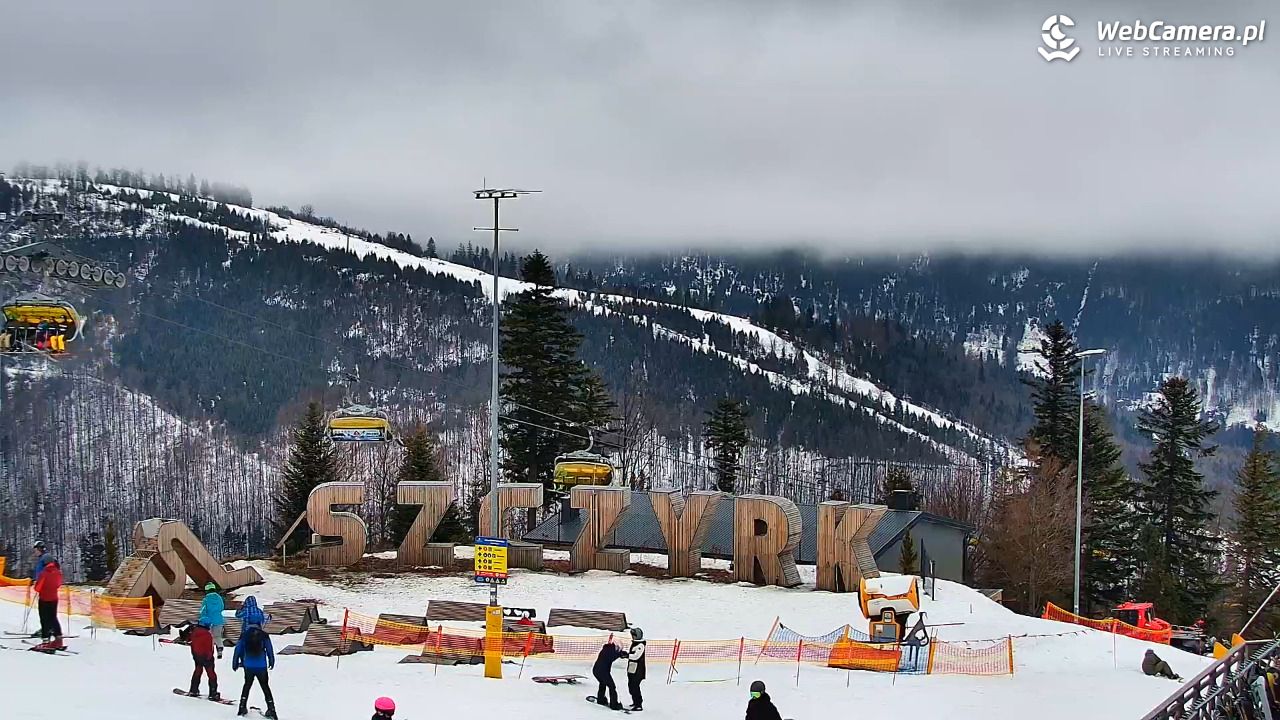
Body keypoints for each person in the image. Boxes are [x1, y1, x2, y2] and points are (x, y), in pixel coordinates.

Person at [232, 621, 276, 718]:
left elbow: (238, 649)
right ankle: (271, 708)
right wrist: (271, 661)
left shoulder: (244, 635)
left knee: (247, 685)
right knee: (265, 686)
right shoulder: (264, 635)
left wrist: (235, 663)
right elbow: (269, 649)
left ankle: (242, 706)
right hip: (261, 666)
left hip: (248, 665)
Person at [181, 623, 220, 700]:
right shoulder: (208, 634)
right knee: (211, 674)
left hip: (197, 656)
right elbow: (209, 648)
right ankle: (213, 693)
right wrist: (209, 657)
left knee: (198, 671)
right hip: (207, 657)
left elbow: (188, 640)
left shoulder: (194, 632)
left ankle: (193, 690)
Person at [32, 557, 64, 650]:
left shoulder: (44, 573)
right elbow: (58, 584)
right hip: (54, 598)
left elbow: (37, 588)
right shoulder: (58, 572)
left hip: (44, 598)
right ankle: (59, 639)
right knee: (53, 618)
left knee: (44, 619)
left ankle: (46, 640)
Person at [592, 641, 626, 710]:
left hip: (596, 670)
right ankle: (614, 705)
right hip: (602, 672)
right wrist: (620, 654)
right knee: (612, 686)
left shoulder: (607, 649)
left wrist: (620, 654)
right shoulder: (609, 651)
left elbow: (614, 655)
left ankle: (601, 699)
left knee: (603, 683)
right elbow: (612, 656)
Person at [199, 582, 227, 659]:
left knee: (208, 637)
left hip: (208, 621)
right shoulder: (219, 598)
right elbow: (222, 607)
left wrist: (201, 619)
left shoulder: (206, 599)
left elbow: (203, 610)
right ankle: (220, 648)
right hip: (219, 620)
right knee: (217, 636)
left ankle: (209, 652)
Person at [626, 626, 646, 711]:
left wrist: (627, 655)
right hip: (632, 669)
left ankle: (638, 704)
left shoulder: (640, 645)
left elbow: (636, 656)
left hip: (638, 670)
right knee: (631, 687)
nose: (632, 637)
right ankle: (635, 702)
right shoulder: (635, 643)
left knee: (635, 687)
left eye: (633, 635)